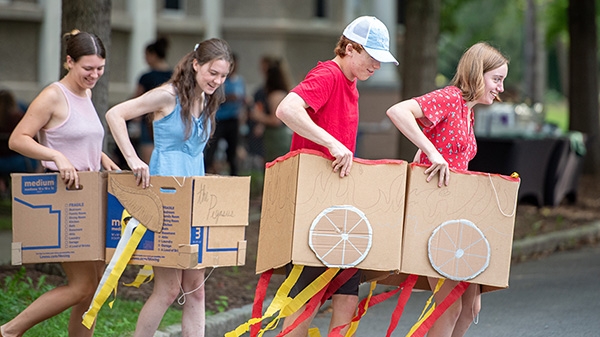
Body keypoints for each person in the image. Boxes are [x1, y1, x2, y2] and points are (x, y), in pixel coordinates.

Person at [275, 16, 398, 336]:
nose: (377, 66)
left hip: (339, 207)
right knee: (305, 301)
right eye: (372, 58)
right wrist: (330, 143)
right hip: (313, 206)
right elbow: (286, 109)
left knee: (346, 298)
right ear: (351, 48)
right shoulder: (328, 74)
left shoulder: (351, 82)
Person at [105, 38, 233, 337]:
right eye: (212, 72)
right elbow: (115, 114)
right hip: (165, 198)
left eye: (223, 75)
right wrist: (133, 159)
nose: (217, 80)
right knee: (168, 289)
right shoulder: (167, 95)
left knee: (196, 290)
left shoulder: (208, 99)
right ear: (196, 64)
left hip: (194, 199)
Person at [386, 41, 509, 337]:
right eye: (497, 79)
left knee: (469, 309)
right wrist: (432, 151)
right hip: (437, 216)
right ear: (478, 74)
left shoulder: (468, 111)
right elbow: (397, 111)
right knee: (450, 306)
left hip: (457, 216)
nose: (500, 89)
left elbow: (431, 151)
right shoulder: (450, 98)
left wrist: (426, 154)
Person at [2, 29, 120, 337]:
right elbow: (18, 139)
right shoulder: (53, 95)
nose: (95, 75)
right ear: (69, 62)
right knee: (82, 285)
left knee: (94, 287)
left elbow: (79, 138)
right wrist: (57, 157)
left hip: (91, 193)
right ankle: (10, 331)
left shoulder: (86, 93)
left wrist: (102, 158)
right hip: (65, 197)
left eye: (100, 68)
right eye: (88, 69)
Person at [131, 37, 173, 164]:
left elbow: (136, 98)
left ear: (153, 55)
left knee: (148, 162)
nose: (145, 59)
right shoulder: (173, 75)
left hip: (148, 122)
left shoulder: (146, 77)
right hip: (169, 120)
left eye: (146, 55)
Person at [204, 52, 245, 176]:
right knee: (212, 148)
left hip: (233, 119)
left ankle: (234, 175)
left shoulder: (239, 81)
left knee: (232, 151)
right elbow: (212, 98)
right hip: (220, 118)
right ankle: (206, 171)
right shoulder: (221, 81)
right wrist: (228, 98)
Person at [250, 58, 293, 162]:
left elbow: (275, 120)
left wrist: (258, 116)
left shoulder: (276, 95)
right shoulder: (282, 93)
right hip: (276, 137)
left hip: (277, 138)